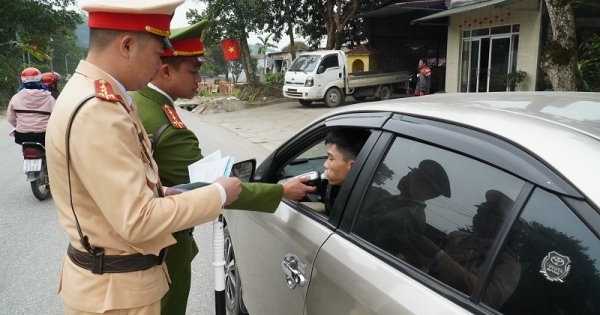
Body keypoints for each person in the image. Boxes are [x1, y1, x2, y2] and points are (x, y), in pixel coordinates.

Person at [45, 1, 243, 314]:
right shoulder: (98, 110)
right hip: (117, 295)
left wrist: (162, 193)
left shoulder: (96, 94)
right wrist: (218, 193)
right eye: (156, 54)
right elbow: (137, 220)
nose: (158, 65)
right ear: (127, 46)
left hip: (115, 286)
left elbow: (115, 195)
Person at [129, 20, 315, 315]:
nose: (200, 79)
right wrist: (281, 190)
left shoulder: (137, 101)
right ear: (166, 71)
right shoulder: (168, 126)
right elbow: (211, 189)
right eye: (193, 71)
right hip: (166, 252)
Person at [410, 189, 521, 309]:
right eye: (480, 210)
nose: (478, 216)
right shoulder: (456, 235)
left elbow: (487, 299)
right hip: (418, 291)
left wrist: (439, 256)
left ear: (502, 224)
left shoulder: (507, 264)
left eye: (487, 214)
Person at [354, 159, 451, 265]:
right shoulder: (395, 199)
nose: (407, 177)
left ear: (429, 194)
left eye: (417, 179)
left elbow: (356, 227)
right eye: (411, 173)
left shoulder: (406, 217)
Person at [319, 127, 371, 215]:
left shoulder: (364, 207)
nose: (325, 165)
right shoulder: (333, 185)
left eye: (331, 159)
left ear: (352, 166)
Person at [7, 67, 55, 146]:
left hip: (21, 135)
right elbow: (55, 118)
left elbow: (10, 118)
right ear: (40, 80)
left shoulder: (16, 97)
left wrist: (20, 126)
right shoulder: (50, 98)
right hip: (43, 135)